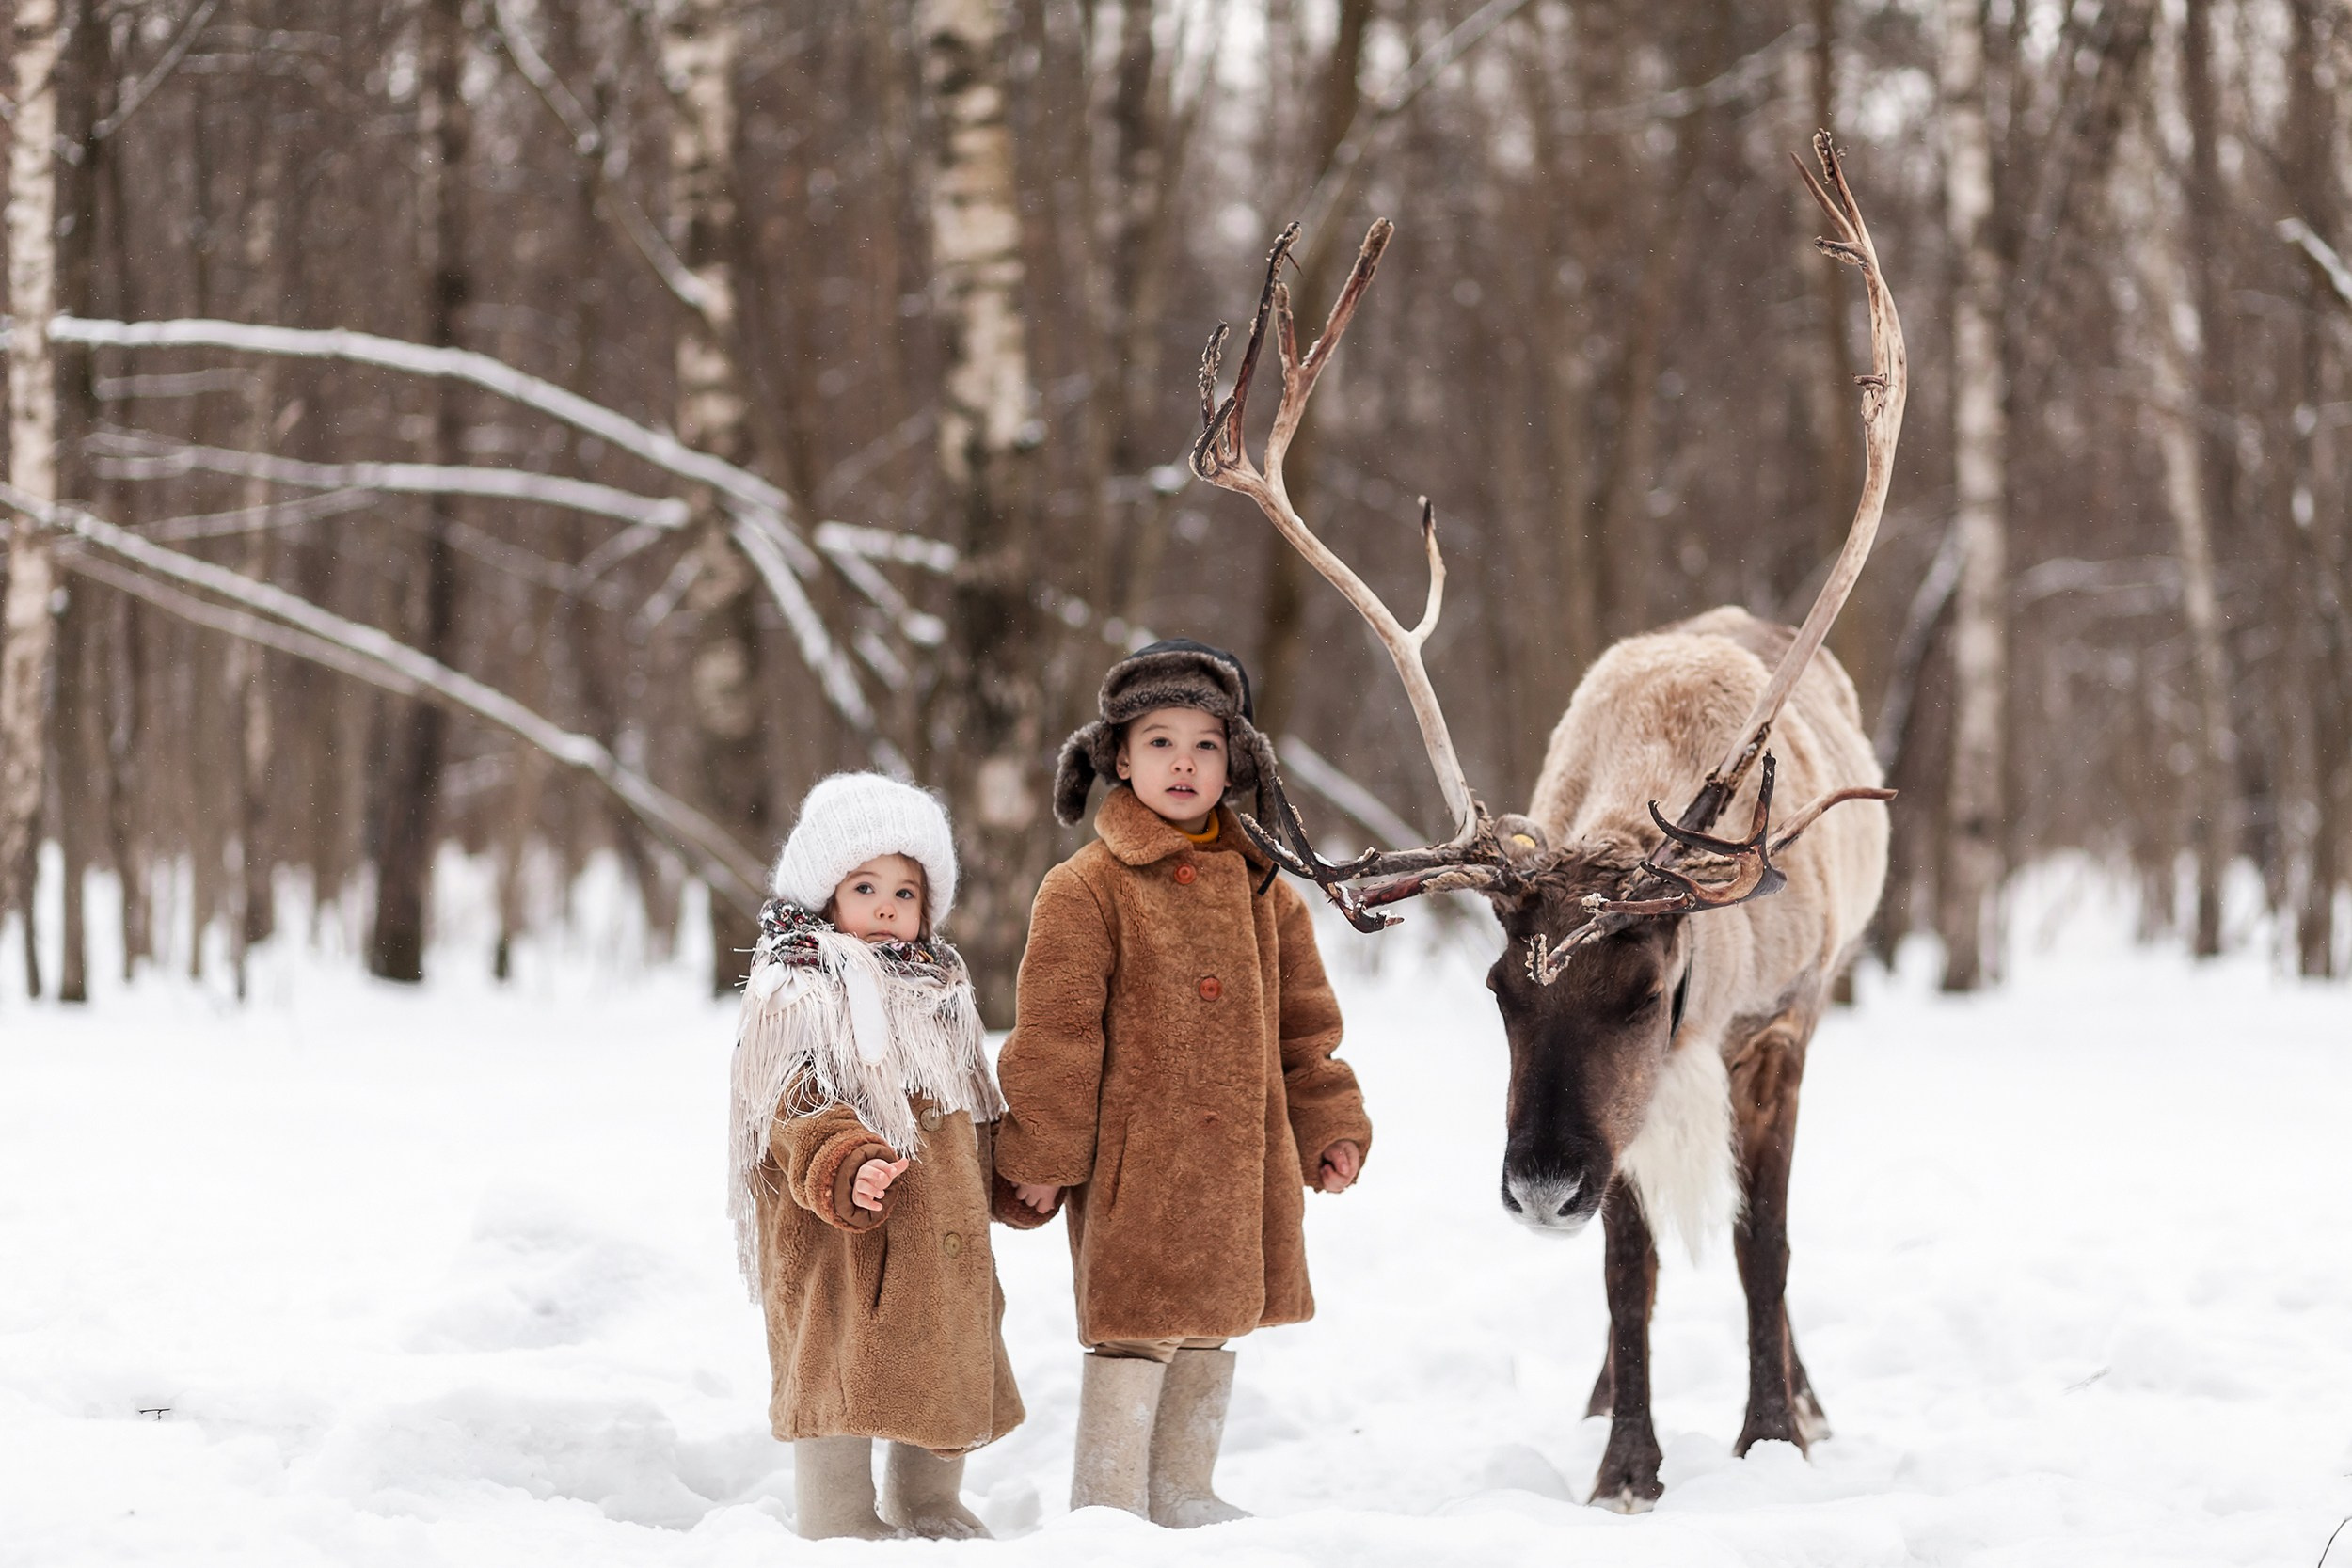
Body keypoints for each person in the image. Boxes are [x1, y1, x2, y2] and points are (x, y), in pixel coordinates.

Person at [993, 639, 1372, 1528]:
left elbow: (1305, 1029)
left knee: (1211, 1319)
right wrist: (1042, 1154)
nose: (1183, 763)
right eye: (1160, 742)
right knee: (1138, 1327)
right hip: (1141, 1165)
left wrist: (1328, 1124)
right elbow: (1056, 1037)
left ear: (1234, 762)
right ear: (1120, 758)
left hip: (1241, 1163)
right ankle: (1108, 1502)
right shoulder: (1086, 887)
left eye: (1206, 744)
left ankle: (1180, 1489)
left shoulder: (1265, 890)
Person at [727, 772, 1022, 1540]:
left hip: (937, 1235)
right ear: (825, 895)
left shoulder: (940, 992)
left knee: (942, 1357)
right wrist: (846, 1160)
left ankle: (929, 1499)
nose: (887, 907)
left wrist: (1009, 1174)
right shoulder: (798, 993)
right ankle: (838, 1514)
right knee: (841, 1366)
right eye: (865, 887)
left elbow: (970, 1110)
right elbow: (791, 1107)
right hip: (839, 1236)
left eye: (905, 891)